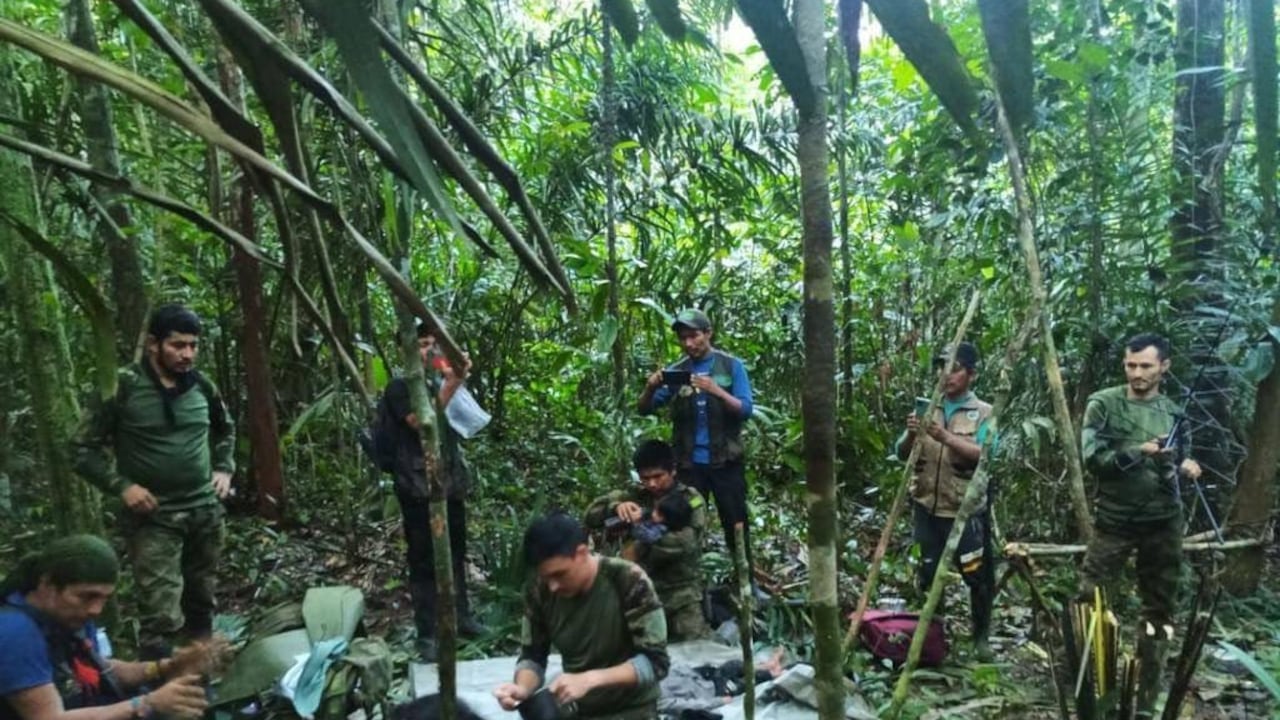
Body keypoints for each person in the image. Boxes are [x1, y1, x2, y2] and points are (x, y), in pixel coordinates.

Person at [72, 304, 235, 659]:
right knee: (161, 616)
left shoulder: (202, 386)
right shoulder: (122, 387)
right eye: (177, 345)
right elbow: (82, 450)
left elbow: (226, 429)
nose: (187, 354)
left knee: (202, 601)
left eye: (193, 345)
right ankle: (159, 685)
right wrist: (123, 487)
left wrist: (224, 468)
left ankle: (199, 678)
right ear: (152, 344)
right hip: (154, 517)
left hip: (204, 512)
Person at [1078, 333, 1201, 718]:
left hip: (1163, 522)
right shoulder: (1104, 404)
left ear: (1164, 367)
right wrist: (1139, 451)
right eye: (1131, 365)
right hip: (1116, 520)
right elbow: (1093, 459)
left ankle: (1148, 691)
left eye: (1146, 366)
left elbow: (1177, 464)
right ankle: (1086, 683)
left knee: (1160, 608)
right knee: (1091, 597)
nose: (1137, 373)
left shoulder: (1174, 412)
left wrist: (1185, 466)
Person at [0, 534, 226, 720]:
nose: (96, 610)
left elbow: (101, 668)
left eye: (104, 598)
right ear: (47, 584)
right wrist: (147, 704)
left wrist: (166, 666)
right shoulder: (15, 632)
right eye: (87, 596)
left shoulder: (67, 616)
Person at [493, 513, 669, 720]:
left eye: (560, 574)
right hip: (577, 709)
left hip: (632, 709)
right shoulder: (540, 591)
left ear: (582, 553)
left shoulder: (627, 579)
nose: (553, 586)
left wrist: (590, 679)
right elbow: (533, 655)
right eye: (546, 577)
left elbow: (656, 663)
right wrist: (522, 689)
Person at [383, 323, 484, 662]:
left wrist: (455, 376)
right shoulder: (400, 388)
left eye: (432, 343)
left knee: (456, 551)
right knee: (424, 559)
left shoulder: (437, 380)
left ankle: (462, 616)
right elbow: (421, 422)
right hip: (417, 487)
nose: (428, 350)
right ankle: (427, 633)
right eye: (421, 344)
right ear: (405, 350)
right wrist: (452, 382)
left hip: (449, 483)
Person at [637, 309, 756, 595]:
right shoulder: (678, 371)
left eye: (694, 336)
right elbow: (645, 408)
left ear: (708, 333)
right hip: (689, 466)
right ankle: (687, 585)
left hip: (726, 464)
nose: (688, 343)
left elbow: (745, 409)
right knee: (683, 524)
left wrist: (716, 390)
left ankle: (747, 584)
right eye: (683, 338)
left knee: (736, 523)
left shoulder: (730, 366)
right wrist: (650, 387)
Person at [895, 342, 996, 658]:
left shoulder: (984, 413)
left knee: (977, 576)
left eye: (954, 368)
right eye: (942, 367)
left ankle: (980, 638)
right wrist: (912, 434)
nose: (946, 374)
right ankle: (934, 640)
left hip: (964, 511)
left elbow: (985, 455)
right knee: (928, 574)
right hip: (927, 507)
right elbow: (901, 453)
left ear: (971, 374)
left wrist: (944, 437)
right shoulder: (930, 407)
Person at [585, 441, 709, 641]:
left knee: (697, 649)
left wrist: (642, 533)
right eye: (645, 478)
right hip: (638, 593)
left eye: (658, 476)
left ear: (673, 471)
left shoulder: (690, 499)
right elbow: (591, 515)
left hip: (680, 594)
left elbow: (687, 543)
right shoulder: (634, 495)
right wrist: (616, 507)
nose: (651, 484)